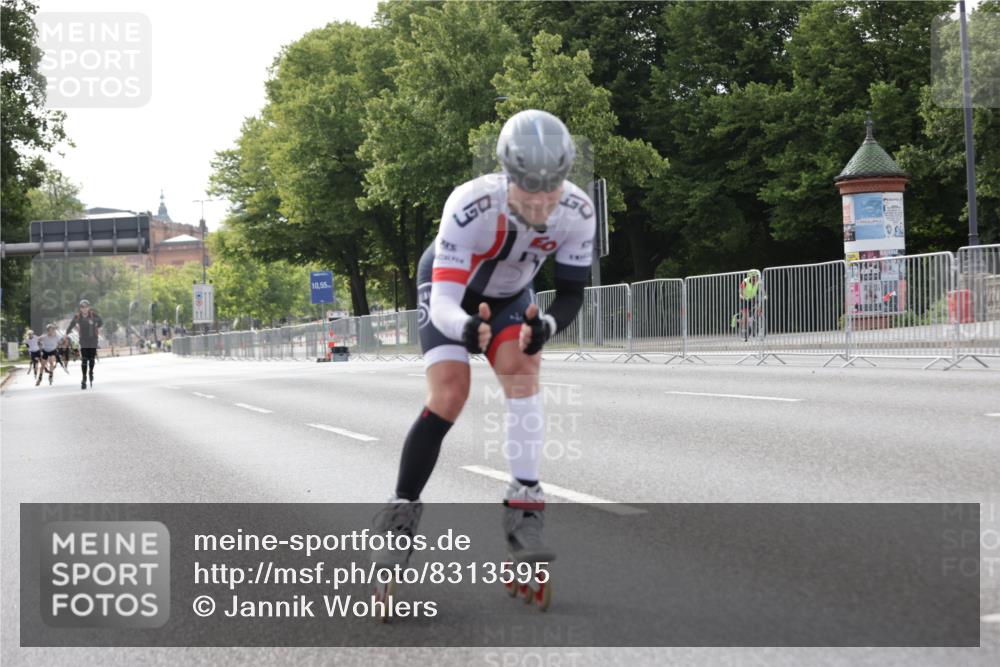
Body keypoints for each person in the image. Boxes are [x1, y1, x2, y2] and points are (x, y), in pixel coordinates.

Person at [371, 109, 594, 569]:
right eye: (530, 189)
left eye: (551, 189)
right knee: (451, 391)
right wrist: (468, 328)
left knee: (524, 372)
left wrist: (547, 326)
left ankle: (525, 510)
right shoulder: (470, 205)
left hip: (512, 294)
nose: (541, 202)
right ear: (507, 176)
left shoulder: (578, 211)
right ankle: (400, 513)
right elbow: (450, 303)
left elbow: (572, 293)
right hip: (451, 289)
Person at [64, 299, 103, 390]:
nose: (84, 309)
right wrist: (66, 334)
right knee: (84, 359)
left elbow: (101, 322)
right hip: (83, 339)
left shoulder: (93, 315)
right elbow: (71, 325)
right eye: (82, 307)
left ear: (88, 307)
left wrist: (96, 326)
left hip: (93, 339)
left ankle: (91, 372)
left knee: (91, 358)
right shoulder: (78, 317)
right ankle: (84, 378)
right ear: (80, 308)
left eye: (86, 307)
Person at [737, 269, 766, 341]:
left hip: (753, 299)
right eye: (754, 277)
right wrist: (741, 295)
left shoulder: (759, 282)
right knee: (746, 315)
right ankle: (744, 330)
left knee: (759, 310)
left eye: (756, 277)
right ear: (751, 277)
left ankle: (756, 324)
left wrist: (765, 296)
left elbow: (763, 290)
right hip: (744, 299)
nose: (755, 278)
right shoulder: (745, 281)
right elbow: (740, 291)